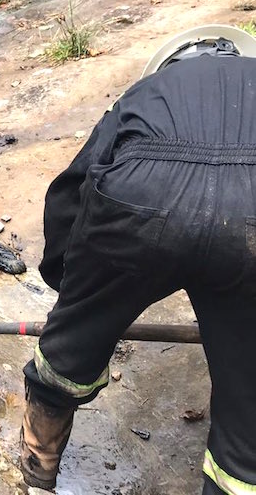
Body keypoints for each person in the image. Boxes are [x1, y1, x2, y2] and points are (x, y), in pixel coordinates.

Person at [19, 25, 256, 494]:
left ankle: (36, 467)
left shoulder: (145, 94)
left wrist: (76, 291)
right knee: (249, 412)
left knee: (68, 352)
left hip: (139, 201)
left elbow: (71, 192)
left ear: (172, 66)